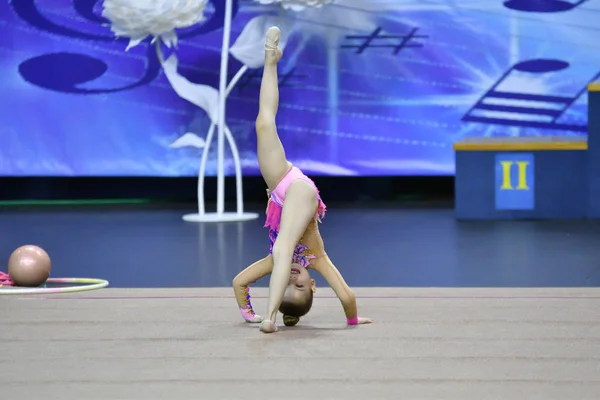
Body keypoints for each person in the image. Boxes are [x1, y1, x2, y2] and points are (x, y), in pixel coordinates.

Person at [232, 26, 372, 334]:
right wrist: (352, 319)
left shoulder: (274, 263)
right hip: (302, 194)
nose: (294, 277)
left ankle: (271, 59)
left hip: (282, 187)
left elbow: (240, 283)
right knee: (283, 247)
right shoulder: (317, 258)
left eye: (285, 286)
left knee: (264, 124)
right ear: (312, 286)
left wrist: (248, 311)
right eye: (299, 284)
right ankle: (272, 318)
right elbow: (346, 294)